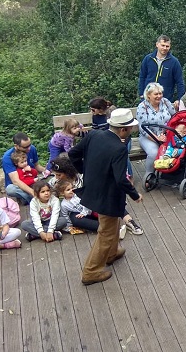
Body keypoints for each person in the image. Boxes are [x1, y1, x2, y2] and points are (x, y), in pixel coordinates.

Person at [69, 108, 143, 285]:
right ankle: (90, 272)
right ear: (123, 130)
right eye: (130, 128)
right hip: (107, 195)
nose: (132, 130)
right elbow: (120, 179)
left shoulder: (94, 135)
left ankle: (111, 253)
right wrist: (134, 194)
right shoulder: (119, 148)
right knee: (106, 233)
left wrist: (85, 171)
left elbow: (73, 154)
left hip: (92, 189)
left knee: (111, 224)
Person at [50, 154, 143, 237]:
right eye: (55, 175)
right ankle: (109, 230)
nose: (56, 178)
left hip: (93, 202)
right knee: (75, 219)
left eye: (59, 175)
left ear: (67, 172)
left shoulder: (82, 176)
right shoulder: (55, 182)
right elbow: (50, 196)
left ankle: (130, 222)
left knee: (111, 199)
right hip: (76, 208)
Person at [136, 82, 177, 182]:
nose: (159, 96)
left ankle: (170, 173)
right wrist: (156, 138)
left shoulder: (166, 102)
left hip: (166, 134)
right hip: (148, 136)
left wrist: (168, 133)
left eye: (160, 93)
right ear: (148, 95)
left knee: (177, 149)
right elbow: (142, 128)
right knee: (153, 153)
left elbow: (175, 116)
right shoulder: (142, 107)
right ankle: (149, 175)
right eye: (156, 94)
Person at [88, 97, 133, 179]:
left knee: (123, 155)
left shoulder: (113, 114)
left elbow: (124, 131)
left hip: (123, 139)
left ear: (100, 109)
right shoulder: (95, 117)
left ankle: (129, 177)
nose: (91, 112)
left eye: (93, 110)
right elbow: (95, 131)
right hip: (107, 141)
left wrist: (121, 141)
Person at [1, 132, 46, 205]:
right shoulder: (7, 157)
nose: (29, 149)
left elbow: (37, 166)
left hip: (32, 179)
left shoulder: (32, 149)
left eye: (29, 145)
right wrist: (33, 193)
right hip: (18, 184)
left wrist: (47, 171)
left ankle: (28, 199)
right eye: (25, 147)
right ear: (16, 146)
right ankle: (33, 199)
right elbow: (16, 181)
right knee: (10, 189)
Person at [137, 34, 185, 103]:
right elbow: (142, 77)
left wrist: (180, 99)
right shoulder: (148, 59)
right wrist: (141, 94)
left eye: (167, 46)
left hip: (165, 99)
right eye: (163, 45)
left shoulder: (174, 62)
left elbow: (180, 82)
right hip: (147, 98)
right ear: (157, 44)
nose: (165, 48)